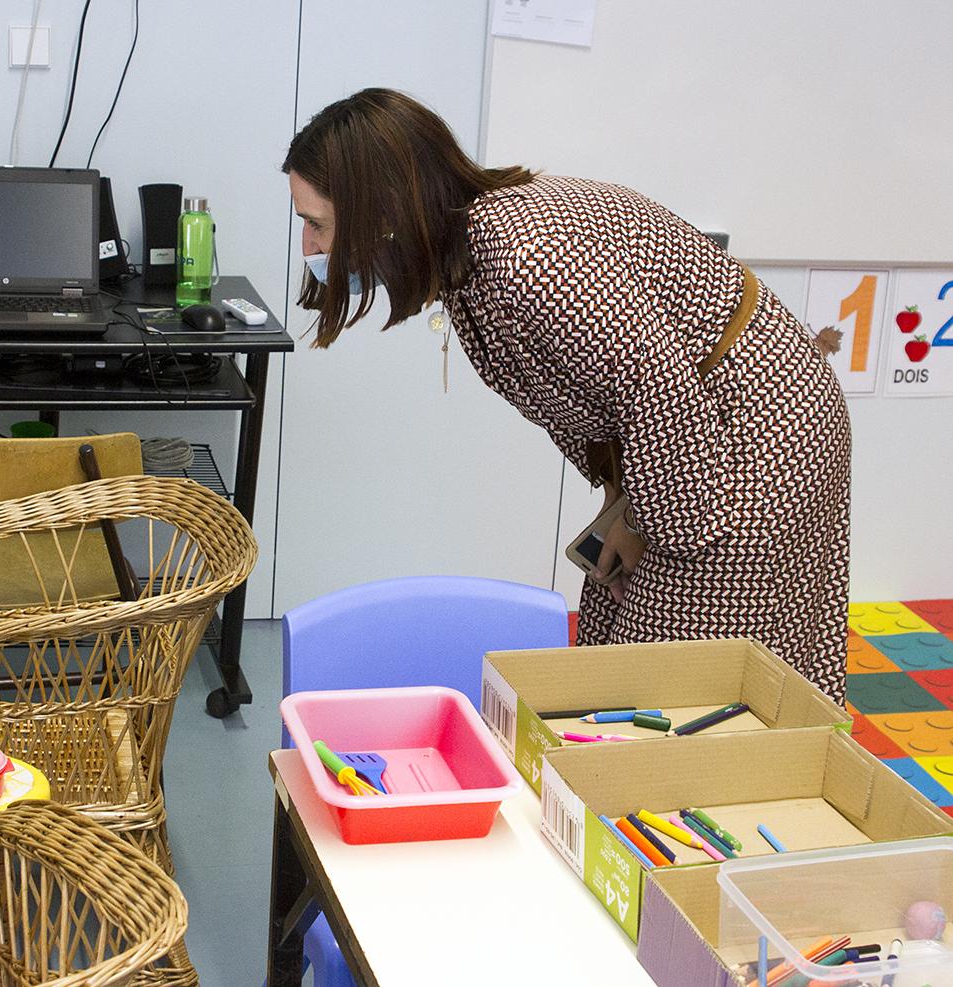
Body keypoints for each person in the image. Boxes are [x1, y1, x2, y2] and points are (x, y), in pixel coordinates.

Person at [282, 88, 851, 702]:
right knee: (618, 623)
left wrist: (641, 519)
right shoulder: (466, 258)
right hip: (691, 435)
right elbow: (592, 393)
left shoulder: (522, 257)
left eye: (318, 225)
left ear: (384, 210)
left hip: (754, 431)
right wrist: (618, 497)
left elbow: (660, 391)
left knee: (688, 664)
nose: (311, 248)